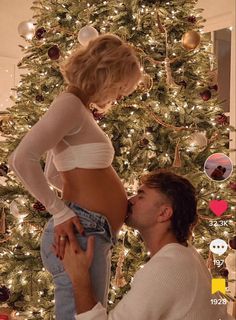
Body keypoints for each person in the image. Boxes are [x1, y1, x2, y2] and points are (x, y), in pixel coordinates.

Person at [8, 33, 142, 319]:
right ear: (107, 74)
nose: (119, 95)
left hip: (91, 230)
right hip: (82, 230)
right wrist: (59, 211)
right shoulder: (69, 104)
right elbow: (20, 159)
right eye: (121, 87)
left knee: (91, 315)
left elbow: (54, 172)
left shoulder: (78, 109)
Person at [62, 170, 232, 320]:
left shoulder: (167, 268)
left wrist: (79, 277)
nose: (130, 200)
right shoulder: (185, 254)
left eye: (141, 196)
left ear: (164, 213)